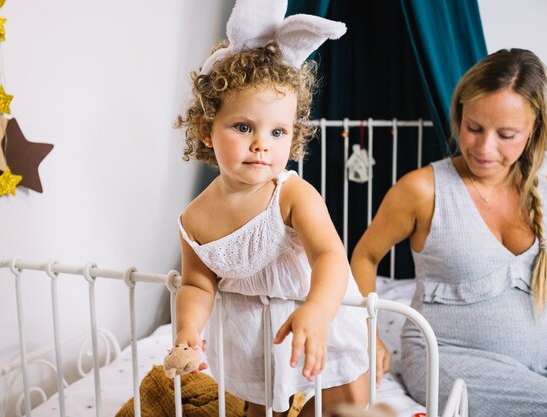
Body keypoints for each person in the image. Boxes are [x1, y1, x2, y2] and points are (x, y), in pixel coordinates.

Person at [172, 1, 370, 416]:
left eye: (278, 131)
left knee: (345, 401)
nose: (262, 143)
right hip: (256, 336)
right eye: (244, 127)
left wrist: (317, 311)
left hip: (319, 314)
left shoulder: (292, 194)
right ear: (207, 131)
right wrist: (188, 333)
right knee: (263, 406)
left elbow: (330, 256)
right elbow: (196, 284)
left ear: (293, 135)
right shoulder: (195, 217)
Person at [350, 48, 547, 417]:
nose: (484, 148)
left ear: (533, 129)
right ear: (459, 115)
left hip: (535, 363)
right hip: (448, 358)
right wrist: (368, 330)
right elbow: (364, 256)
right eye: (473, 128)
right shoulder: (423, 190)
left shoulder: (541, 191)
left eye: (506, 134)